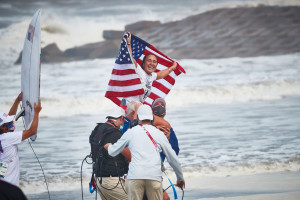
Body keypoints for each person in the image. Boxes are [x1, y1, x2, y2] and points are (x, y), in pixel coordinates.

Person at [105, 105, 185, 200]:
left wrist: (108, 146)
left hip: (135, 176)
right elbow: (172, 158)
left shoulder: (130, 132)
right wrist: (180, 178)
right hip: (154, 176)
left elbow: (113, 152)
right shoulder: (159, 134)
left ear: (138, 117)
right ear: (151, 117)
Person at [0, 92, 42, 186]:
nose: (12, 123)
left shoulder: (3, 136)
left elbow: (10, 117)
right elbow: (32, 131)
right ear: (3, 128)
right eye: (8, 123)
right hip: (9, 188)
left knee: (5, 164)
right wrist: (36, 113)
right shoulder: (8, 138)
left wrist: (17, 100)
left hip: (2, 181)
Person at [90, 106, 131, 200]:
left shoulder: (97, 129)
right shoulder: (116, 135)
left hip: (98, 179)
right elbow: (129, 157)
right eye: (123, 120)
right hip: (112, 181)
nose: (123, 124)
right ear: (121, 118)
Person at [126, 32, 178, 102]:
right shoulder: (139, 71)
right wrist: (128, 43)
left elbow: (160, 75)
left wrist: (172, 68)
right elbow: (131, 58)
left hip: (137, 107)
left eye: (154, 62)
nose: (152, 63)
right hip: (128, 106)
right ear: (143, 64)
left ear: (156, 65)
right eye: (149, 61)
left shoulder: (152, 76)